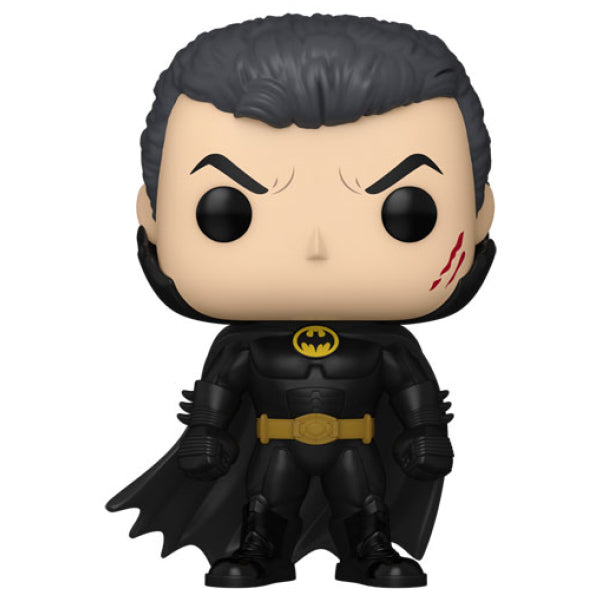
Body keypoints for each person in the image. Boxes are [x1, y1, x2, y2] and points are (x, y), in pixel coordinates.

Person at [107, 14, 496, 588]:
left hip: (354, 444)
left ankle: (367, 550)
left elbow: (412, 392)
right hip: (278, 444)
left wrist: (425, 435)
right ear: (153, 217)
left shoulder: (389, 346)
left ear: (479, 213)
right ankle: (261, 550)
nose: (316, 248)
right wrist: (206, 434)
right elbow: (219, 393)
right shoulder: (242, 345)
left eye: (407, 212)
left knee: (364, 503)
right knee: (266, 502)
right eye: (227, 213)